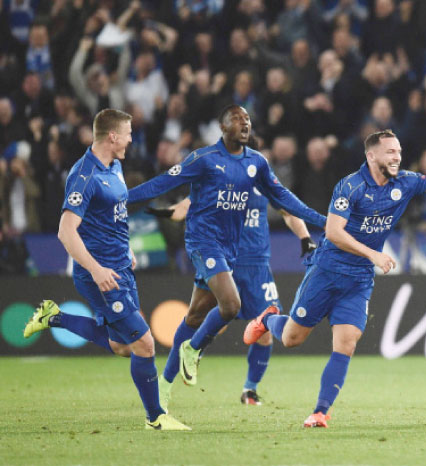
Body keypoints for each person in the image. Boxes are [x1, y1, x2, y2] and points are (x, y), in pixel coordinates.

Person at [243, 129, 426, 428]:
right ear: (371, 155)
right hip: (327, 271)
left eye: (399, 151)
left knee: (347, 342)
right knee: (291, 339)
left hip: (359, 278)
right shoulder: (350, 186)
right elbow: (334, 232)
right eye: (390, 151)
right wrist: (373, 254)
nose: (397, 156)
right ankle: (267, 320)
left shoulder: (406, 182)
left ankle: (320, 412)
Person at [127, 105, 326, 407]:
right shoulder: (205, 159)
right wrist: (122, 199)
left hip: (236, 255)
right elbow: (164, 182)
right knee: (231, 306)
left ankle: (163, 391)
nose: (244, 124)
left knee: (195, 315)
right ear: (222, 127)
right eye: (237, 119)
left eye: (247, 119)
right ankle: (193, 351)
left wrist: (320, 222)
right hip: (204, 243)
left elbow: (284, 199)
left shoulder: (256, 165)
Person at [22, 109, 189, 431]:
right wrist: (97, 270)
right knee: (144, 343)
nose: (130, 138)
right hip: (99, 274)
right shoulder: (84, 176)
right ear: (112, 136)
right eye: (127, 133)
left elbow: (114, 214)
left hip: (120, 268)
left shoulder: (115, 166)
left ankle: (53, 317)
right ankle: (156, 417)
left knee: (122, 346)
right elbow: (66, 231)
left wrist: (124, 246)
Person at [148, 192, 317, 407]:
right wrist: (168, 212)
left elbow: (287, 209)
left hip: (256, 264)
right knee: (195, 315)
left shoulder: (261, 175)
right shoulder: (222, 173)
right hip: (222, 258)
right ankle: (166, 383)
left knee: (264, 333)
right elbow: (188, 204)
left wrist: (305, 237)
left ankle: (250, 390)